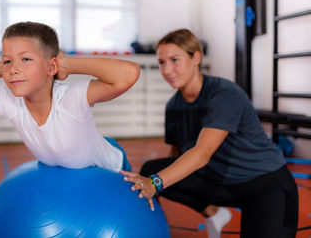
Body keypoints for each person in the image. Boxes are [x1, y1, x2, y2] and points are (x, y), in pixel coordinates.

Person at [121, 29, 298, 238]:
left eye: (175, 60)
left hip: (265, 186)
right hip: (223, 185)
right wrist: (154, 188)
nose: (167, 70)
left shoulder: (224, 95)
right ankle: (214, 212)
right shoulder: (173, 106)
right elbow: (175, 156)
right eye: (161, 62)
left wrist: (155, 184)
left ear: (196, 57)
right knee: (153, 168)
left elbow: (202, 153)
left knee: (157, 177)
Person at [0, 21, 140, 172]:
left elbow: (128, 74)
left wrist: (66, 64)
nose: (14, 69)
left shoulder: (70, 99)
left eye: (25, 59)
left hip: (112, 166)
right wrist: (9, 65)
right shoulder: (10, 100)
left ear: (52, 66)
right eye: (7, 61)